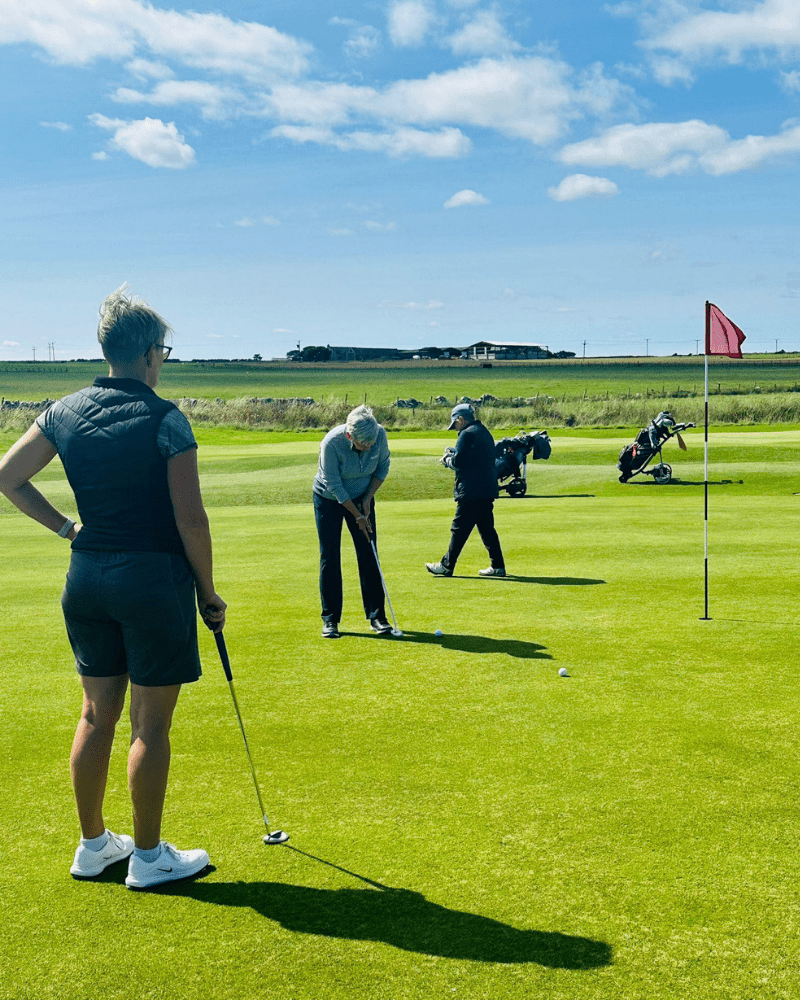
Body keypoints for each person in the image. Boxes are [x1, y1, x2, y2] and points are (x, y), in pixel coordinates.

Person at [0, 286, 226, 890]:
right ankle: (149, 858)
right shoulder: (166, 418)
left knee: (96, 716)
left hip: (88, 578)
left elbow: (8, 476)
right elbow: (192, 519)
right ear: (151, 352)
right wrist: (208, 590)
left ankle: (94, 845)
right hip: (152, 581)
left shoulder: (61, 411)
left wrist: (68, 528)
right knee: (150, 726)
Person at [313, 405, 391, 638]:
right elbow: (333, 484)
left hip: (362, 495)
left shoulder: (378, 435)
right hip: (328, 499)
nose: (368, 448)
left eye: (371, 443)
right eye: (363, 444)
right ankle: (331, 619)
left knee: (369, 551)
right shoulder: (332, 443)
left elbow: (383, 466)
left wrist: (367, 500)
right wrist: (355, 514)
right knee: (330, 556)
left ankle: (377, 616)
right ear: (349, 436)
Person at [426, 403, 506, 578]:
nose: (455, 428)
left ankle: (446, 565)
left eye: (455, 424)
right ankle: (498, 566)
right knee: (487, 529)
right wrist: (455, 453)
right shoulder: (484, 432)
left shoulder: (466, 434)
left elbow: (459, 463)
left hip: (470, 491)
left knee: (459, 529)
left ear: (461, 419)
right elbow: (473, 457)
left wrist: (447, 459)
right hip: (486, 490)